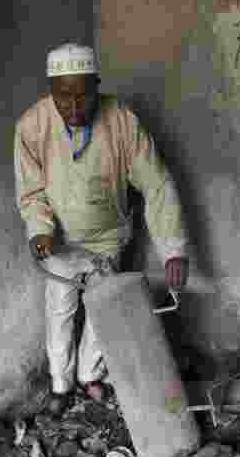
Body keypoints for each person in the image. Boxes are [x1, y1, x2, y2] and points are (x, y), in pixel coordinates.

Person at [14, 43, 190, 417]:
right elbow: (31, 192)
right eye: (64, 99)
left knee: (102, 310)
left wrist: (172, 248)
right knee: (59, 313)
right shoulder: (31, 125)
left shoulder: (123, 121)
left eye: (83, 96)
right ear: (50, 91)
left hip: (108, 237)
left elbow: (156, 184)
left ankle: (90, 375)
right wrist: (39, 230)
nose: (75, 108)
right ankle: (60, 384)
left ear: (97, 85)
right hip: (60, 242)